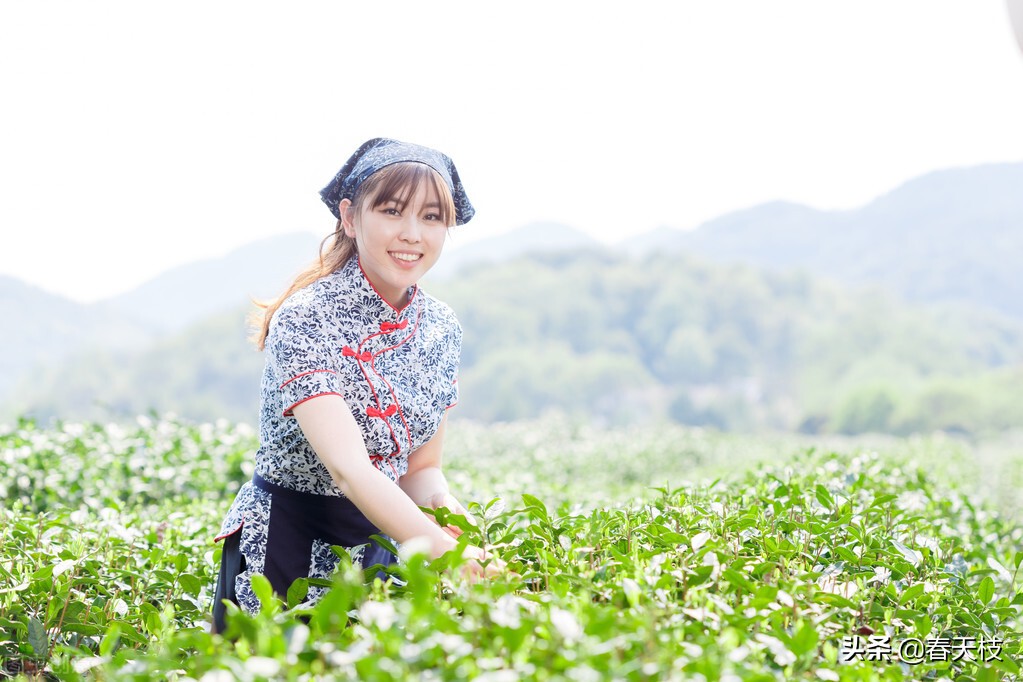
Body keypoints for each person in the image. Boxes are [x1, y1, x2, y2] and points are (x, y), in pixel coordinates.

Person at [212, 138, 497, 633]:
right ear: (350, 216)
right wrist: (444, 552)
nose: (412, 234)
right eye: (392, 210)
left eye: (431, 217)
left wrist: (458, 527)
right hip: (286, 542)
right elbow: (350, 471)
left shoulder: (441, 326)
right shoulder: (307, 317)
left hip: (384, 541)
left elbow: (421, 470)